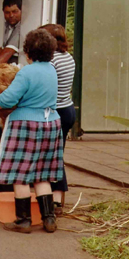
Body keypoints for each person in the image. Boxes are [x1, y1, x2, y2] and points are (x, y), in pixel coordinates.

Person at [0, 28, 64, 234]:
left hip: (26, 124)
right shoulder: (52, 70)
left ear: (28, 52)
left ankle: (23, 221)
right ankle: (49, 219)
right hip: (51, 123)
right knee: (43, 175)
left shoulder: (26, 72)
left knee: (20, 174)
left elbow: (9, 98)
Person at [40, 24, 76, 216]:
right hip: (68, 109)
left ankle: (55, 200)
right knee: (57, 155)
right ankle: (57, 198)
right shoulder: (68, 57)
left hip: (57, 112)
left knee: (52, 156)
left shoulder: (52, 61)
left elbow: (46, 86)